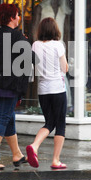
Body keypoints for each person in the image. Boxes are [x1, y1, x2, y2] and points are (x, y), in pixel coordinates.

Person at [0, 3, 31, 170]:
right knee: (3, 118)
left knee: (9, 118)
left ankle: (17, 155)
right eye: (17, 14)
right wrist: (24, 42)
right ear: (11, 18)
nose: (19, 17)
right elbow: (30, 60)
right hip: (9, 85)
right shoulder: (17, 37)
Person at [26, 17, 69, 169]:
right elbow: (64, 69)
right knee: (60, 125)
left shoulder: (35, 45)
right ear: (55, 30)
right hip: (57, 89)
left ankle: (35, 146)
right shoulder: (58, 45)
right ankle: (55, 160)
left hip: (43, 90)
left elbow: (33, 66)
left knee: (49, 122)